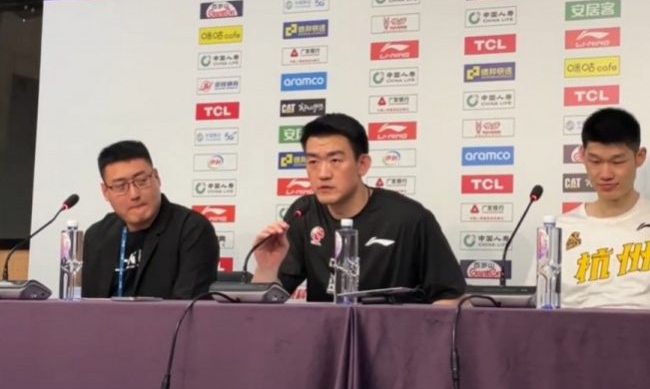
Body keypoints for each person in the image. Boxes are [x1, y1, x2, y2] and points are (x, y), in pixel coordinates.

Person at [252, 113, 466, 303]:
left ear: (362, 164)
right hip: (326, 333)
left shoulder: (409, 218)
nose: (323, 173)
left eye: (335, 160)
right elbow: (266, 305)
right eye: (313, 162)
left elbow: (449, 297)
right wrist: (266, 267)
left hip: (394, 333)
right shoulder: (304, 212)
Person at [82, 140, 219, 299]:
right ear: (105, 192)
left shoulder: (191, 229)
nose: (134, 194)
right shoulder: (96, 236)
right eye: (120, 186)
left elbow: (188, 307)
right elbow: (83, 305)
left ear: (157, 177)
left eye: (141, 181)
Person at [559, 107, 650, 308]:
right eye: (595, 161)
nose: (606, 174)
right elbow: (536, 309)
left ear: (639, 157)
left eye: (618, 162)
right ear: (582, 156)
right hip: (573, 328)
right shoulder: (558, 231)